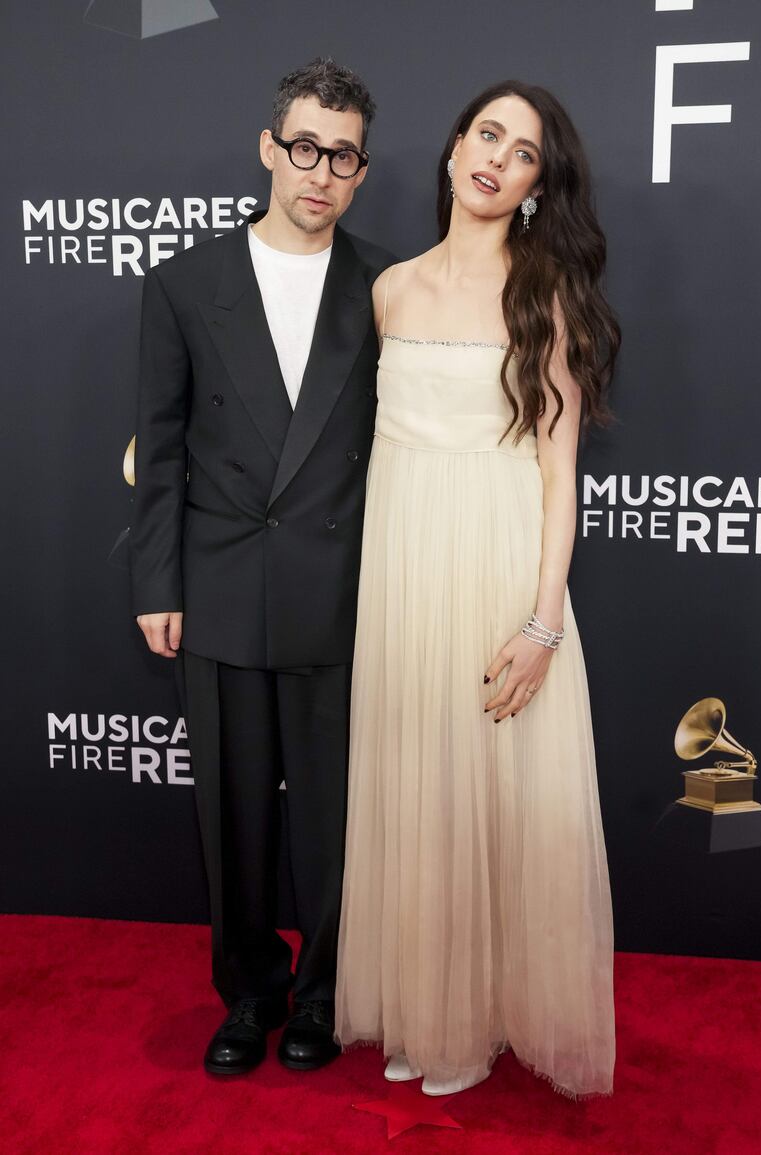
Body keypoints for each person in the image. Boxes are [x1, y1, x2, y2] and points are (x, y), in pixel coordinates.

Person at [335, 80, 619, 1099]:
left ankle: (479, 1020)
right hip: (402, 566)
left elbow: (556, 474)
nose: (497, 157)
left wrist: (542, 622)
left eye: (525, 152)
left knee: (493, 803)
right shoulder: (389, 288)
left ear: (538, 186)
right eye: (487, 133)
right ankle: (421, 1004)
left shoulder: (539, 295)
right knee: (414, 796)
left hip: (497, 568)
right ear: (455, 146)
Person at [129, 57, 393, 1076]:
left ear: (362, 170)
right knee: (231, 814)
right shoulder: (184, 283)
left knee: (332, 817)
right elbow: (157, 446)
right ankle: (249, 993)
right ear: (267, 150)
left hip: (339, 588)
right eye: (302, 149)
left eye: (341, 155)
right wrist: (158, 583)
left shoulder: (384, 286)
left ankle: (323, 993)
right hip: (221, 581)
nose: (318, 172)